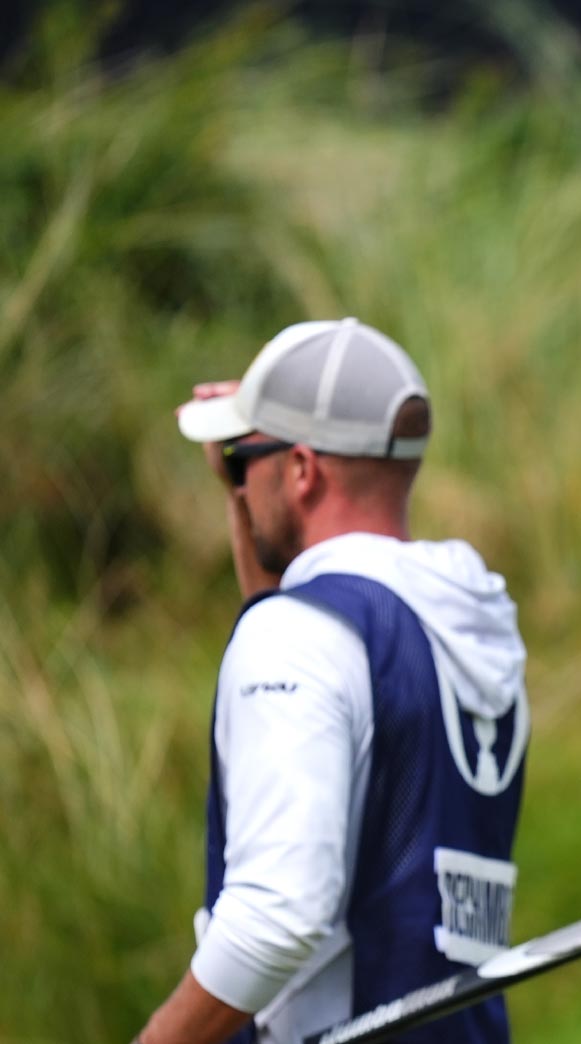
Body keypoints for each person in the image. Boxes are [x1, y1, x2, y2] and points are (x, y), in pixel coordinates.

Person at [134, 319, 530, 1044]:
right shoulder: (467, 619)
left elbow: (275, 918)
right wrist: (245, 486)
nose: (235, 477)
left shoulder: (299, 640)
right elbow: (309, 666)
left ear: (303, 470)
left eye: (241, 458)